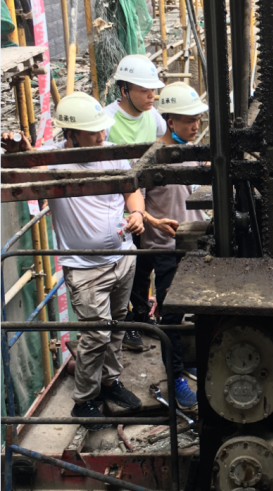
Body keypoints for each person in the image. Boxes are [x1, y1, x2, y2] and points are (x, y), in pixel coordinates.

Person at [1, 93, 146, 430]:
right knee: (95, 336)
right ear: (71, 134)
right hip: (85, 267)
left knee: (116, 326)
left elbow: (131, 190)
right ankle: (84, 400)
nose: (101, 136)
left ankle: (109, 381)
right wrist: (23, 154)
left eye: (102, 129)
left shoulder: (112, 154)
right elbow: (25, 173)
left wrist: (137, 213)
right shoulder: (55, 163)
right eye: (93, 132)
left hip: (123, 257)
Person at [129, 82, 210, 408]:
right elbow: (135, 203)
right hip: (164, 248)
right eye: (188, 120)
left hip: (194, 244)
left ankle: (191, 361)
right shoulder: (151, 159)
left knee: (200, 309)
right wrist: (153, 221)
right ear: (170, 121)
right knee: (171, 316)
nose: (195, 126)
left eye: (197, 119)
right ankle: (175, 377)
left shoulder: (191, 152)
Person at [104, 54, 167, 351]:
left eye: (153, 89)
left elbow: (163, 145)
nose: (151, 95)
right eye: (144, 90)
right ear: (124, 90)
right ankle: (124, 321)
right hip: (111, 205)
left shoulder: (153, 118)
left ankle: (140, 317)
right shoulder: (107, 121)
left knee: (142, 264)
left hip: (141, 202)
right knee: (116, 267)